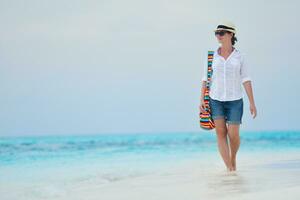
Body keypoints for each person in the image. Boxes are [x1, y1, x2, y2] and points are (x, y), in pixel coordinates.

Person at [199, 21, 257, 171]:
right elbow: (205, 78)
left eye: (221, 33)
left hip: (235, 100)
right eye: (216, 33)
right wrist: (201, 100)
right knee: (220, 132)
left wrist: (252, 102)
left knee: (233, 135)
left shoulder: (240, 57)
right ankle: (230, 168)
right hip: (215, 99)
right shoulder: (212, 57)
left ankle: (233, 158)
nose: (218, 36)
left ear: (231, 34)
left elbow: (246, 79)